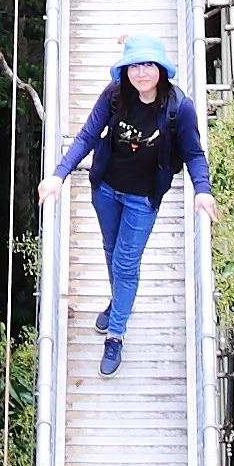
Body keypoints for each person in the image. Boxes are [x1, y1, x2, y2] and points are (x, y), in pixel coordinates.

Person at [53, 41, 197, 376]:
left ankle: (115, 335)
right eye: (134, 66)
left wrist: (202, 191)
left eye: (148, 66)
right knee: (110, 250)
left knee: (126, 264)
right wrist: (59, 175)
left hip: (142, 198)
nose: (141, 73)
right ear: (125, 71)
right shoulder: (115, 96)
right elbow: (88, 136)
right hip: (106, 190)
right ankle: (118, 303)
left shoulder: (179, 108)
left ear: (161, 70)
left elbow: (193, 153)